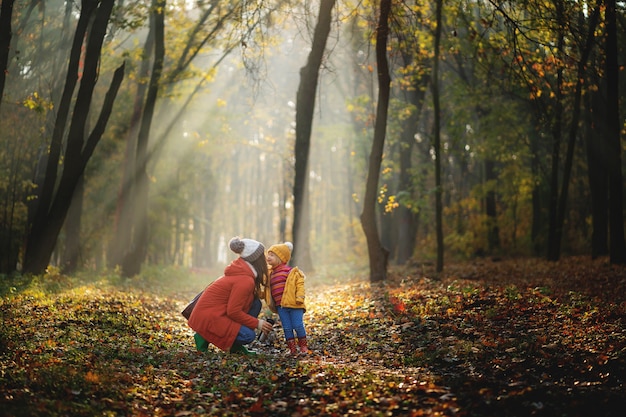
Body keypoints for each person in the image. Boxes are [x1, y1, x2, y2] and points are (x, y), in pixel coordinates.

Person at [188, 237, 274, 355]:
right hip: (208, 318)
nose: (265, 258)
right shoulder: (245, 280)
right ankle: (203, 336)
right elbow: (233, 312)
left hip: (215, 314)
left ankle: (234, 345)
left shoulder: (244, 273)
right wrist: (257, 323)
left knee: (255, 303)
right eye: (262, 255)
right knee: (248, 336)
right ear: (256, 259)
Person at [264, 242, 309, 355]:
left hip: (295, 304)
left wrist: (300, 297)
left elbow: (299, 284)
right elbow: (266, 289)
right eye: (268, 254)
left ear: (280, 258)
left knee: (297, 325)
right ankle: (292, 349)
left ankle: (303, 346)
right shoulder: (270, 274)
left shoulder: (290, 271)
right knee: (287, 328)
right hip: (281, 306)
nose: (268, 257)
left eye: (272, 255)